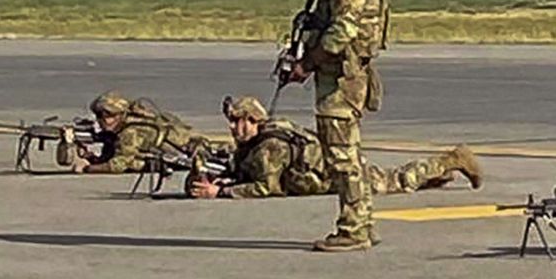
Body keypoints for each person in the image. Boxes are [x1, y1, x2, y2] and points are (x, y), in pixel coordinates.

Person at [287, 0, 388, 251]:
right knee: (350, 157)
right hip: (340, 78)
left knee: (342, 159)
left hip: (340, 82)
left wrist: (307, 64)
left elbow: (342, 31)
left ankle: (353, 230)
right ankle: (362, 222)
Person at [188, 96, 483, 199]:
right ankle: (438, 175)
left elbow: (267, 188)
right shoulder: (258, 140)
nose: (232, 127)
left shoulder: (270, 147)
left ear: (253, 121)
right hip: (330, 171)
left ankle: (452, 159)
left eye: (237, 121)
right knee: (396, 180)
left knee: (396, 181)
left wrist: (222, 192)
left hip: (337, 175)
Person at [61, 91, 204, 174]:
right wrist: (90, 156)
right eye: (98, 116)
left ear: (119, 115)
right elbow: (113, 154)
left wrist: (87, 168)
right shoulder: (123, 128)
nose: (101, 121)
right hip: (179, 153)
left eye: (106, 116)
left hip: (184, 156)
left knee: (134, 163)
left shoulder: (130, 131)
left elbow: (118, 165)